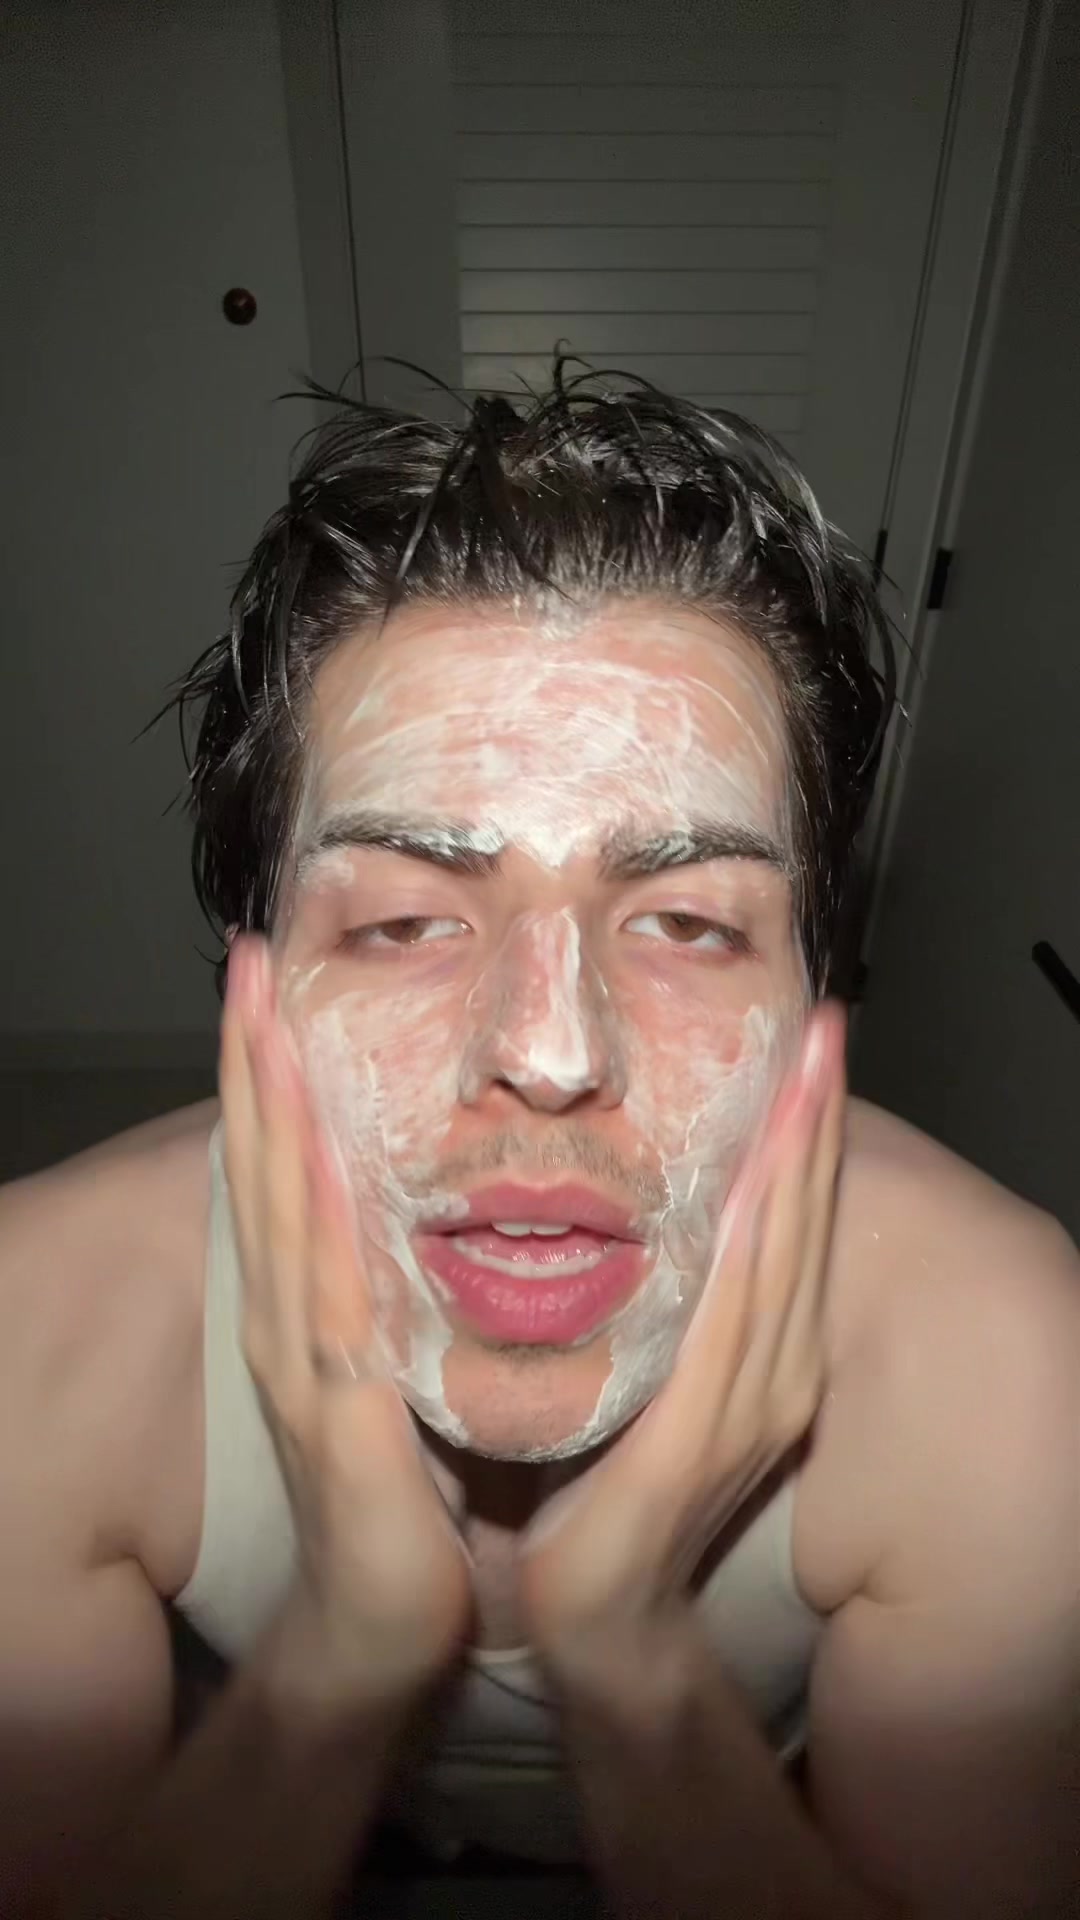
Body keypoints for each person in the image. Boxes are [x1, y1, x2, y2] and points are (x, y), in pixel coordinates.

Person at [0, 368, 1076, 1920]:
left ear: (813, 993)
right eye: (403, 919)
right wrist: (341, 1659)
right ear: (259, 985)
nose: (553, 1052)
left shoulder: (1001, 1361)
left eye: (690, 922)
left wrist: (633, 1659)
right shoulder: (41, 1336)